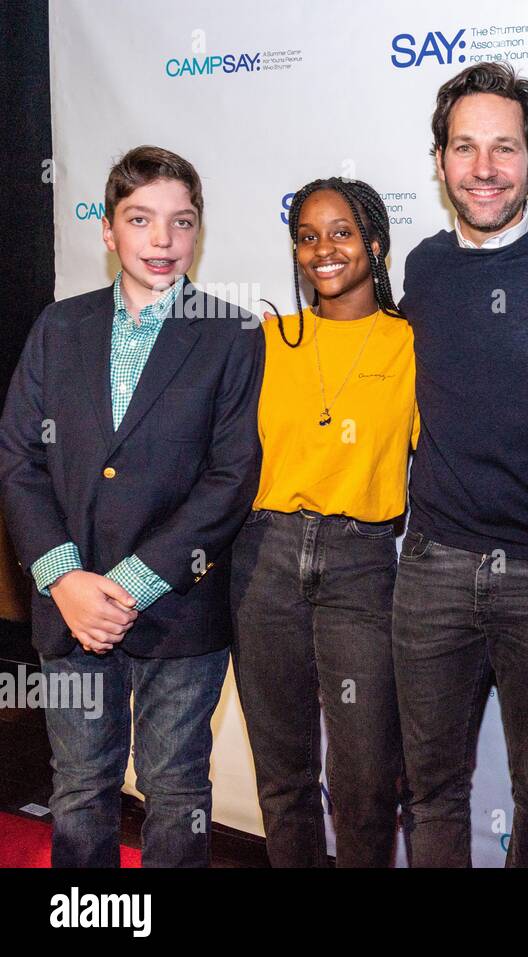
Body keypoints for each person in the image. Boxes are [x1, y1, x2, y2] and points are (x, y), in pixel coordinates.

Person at [0, 145, 263, 867]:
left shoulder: (231, 333)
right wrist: (67, 580)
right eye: (140, 219)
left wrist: (131, 584)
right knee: (81, 787)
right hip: (72, 608)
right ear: (109, 230)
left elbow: (231, 474)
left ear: (198, 232)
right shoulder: (59, 327)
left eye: (181, 223)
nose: (162, 240)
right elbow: (19, 459)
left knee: (177, 791)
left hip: (180, 610)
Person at [393, 62, 528, 867]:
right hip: (433, 564)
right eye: (465, 148)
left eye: (505, 149)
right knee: (433, 784)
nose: (485, 169)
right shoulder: (423, 267)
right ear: (441, 161)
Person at [229, 177, 416, 867]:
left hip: (361, 565)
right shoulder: (266, 339)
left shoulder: (411, 343)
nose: (322, 250)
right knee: (283, 779)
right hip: (263, 559)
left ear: (374, 241)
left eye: (340, 232)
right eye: (306, 236)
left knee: (366, 783)